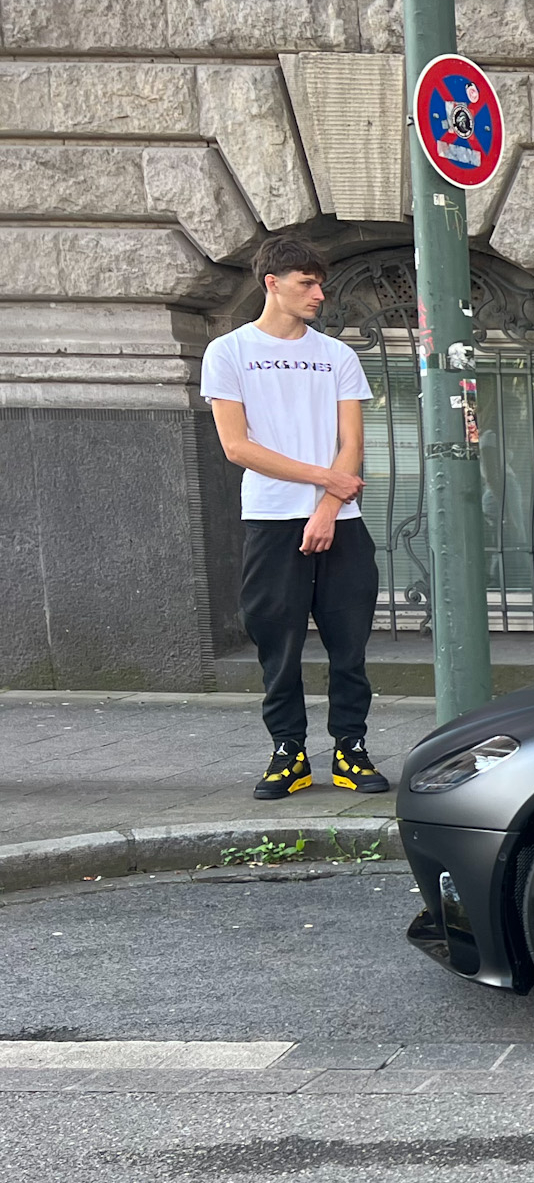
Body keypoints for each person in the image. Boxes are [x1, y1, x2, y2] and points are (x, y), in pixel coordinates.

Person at [203, 236, 390, 801]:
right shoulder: (228, 352)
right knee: (276, 644)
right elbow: (237, 446)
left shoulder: (338, 355)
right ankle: (289, 753)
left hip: (341, 521)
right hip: (271, 519)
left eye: (319, 282)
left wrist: (330, 505)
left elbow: (351, 444)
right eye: (306, 283)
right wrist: (323, 482)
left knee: (349, 645)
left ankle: (350, 750)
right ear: (272, 284)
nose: (318, 293)